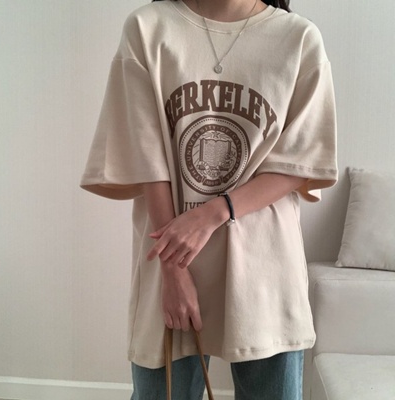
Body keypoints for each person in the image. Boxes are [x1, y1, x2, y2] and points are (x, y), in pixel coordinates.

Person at [80, 0, 337, 398]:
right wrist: (173, 271)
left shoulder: (298, 38)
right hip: (171, 259)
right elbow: (148, 157)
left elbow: (302, 162)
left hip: (265, 267)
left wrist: (213, 213)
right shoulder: (149, 29)